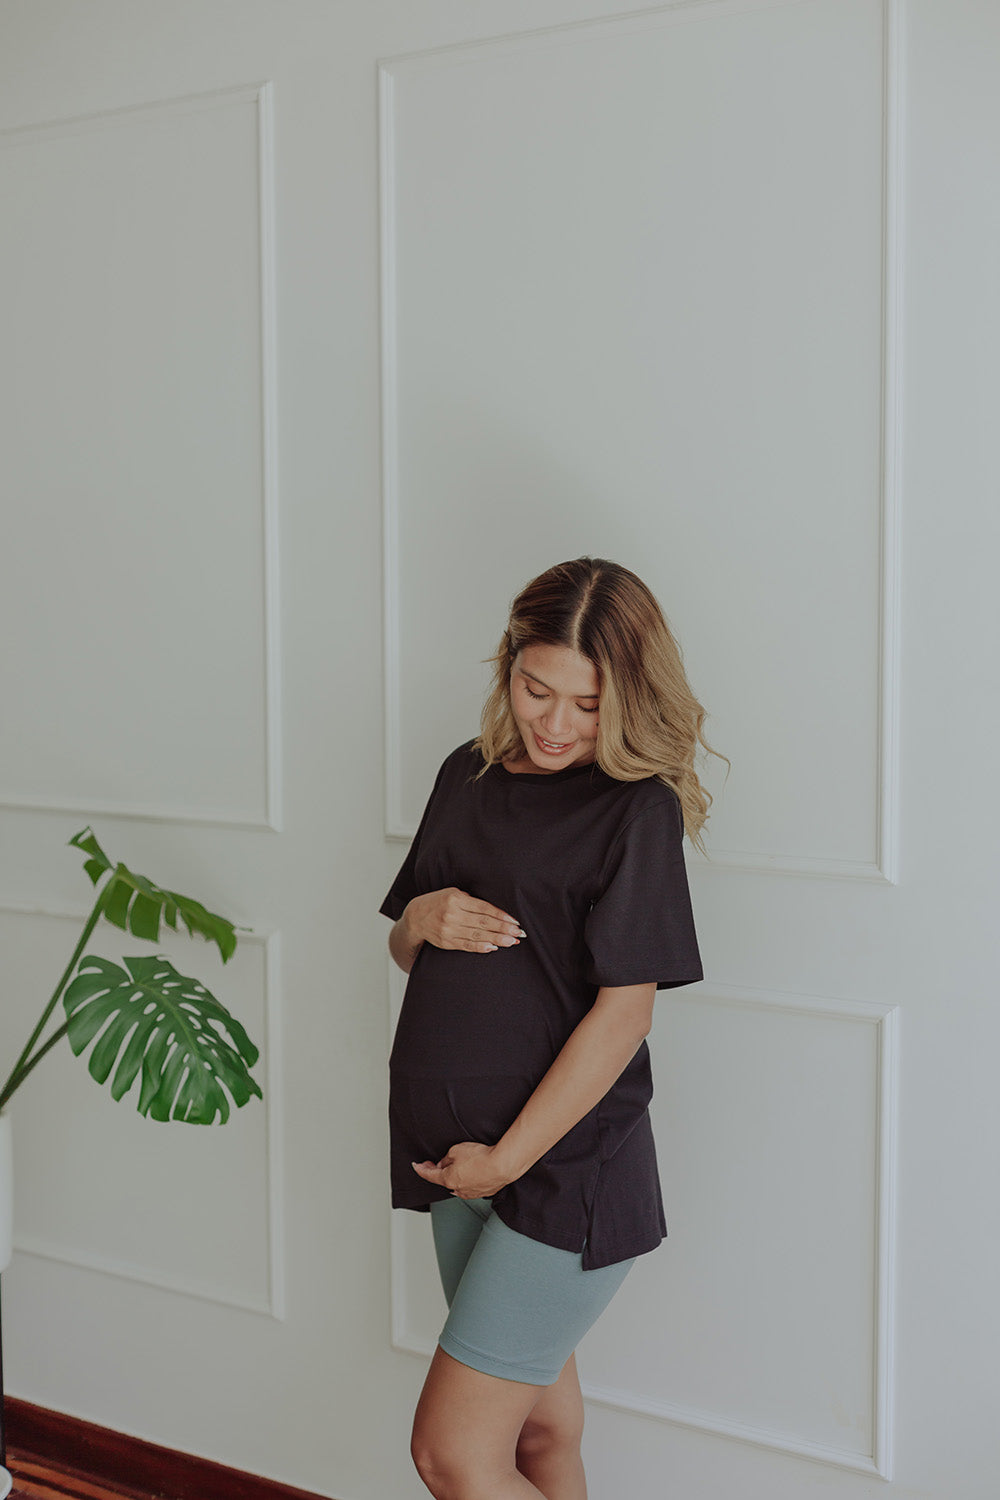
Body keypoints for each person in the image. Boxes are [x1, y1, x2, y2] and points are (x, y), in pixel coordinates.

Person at [380, 556, 724, 1500]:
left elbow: (626, 1012)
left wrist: (505, 1161)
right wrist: (421, 920)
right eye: (538, 690)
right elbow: (412, 953)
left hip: (559, 1169)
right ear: (509, 664)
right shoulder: (465, 774)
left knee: (451, 1455)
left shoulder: (635, 809)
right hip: (458, 1162)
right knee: (536, 1433)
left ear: (628, 699)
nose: (557, 724)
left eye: (588, 703)